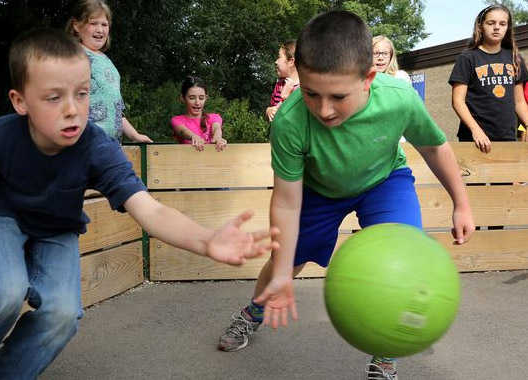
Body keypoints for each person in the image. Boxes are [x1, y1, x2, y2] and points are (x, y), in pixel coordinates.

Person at [0, 29, 279, 380]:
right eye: (54, 98)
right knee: (7, 290)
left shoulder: (97, 148)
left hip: (55, 224)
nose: (73, 110)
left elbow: (150, 210)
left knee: (63, 313)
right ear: (20, 101)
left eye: (83, 94)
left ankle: (10, 372)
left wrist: (207, 241)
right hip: (1, 210)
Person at [216, 11, 474, 380]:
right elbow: (287, 201)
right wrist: (283, 273)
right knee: (283, 263)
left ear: (368, 78)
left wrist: (461, 203)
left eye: (338, 95)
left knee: (403, 261)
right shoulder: (290, 122)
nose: (323, 109)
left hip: (384, 181)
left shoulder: (399, 99)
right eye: (310, 93)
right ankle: (253, 312)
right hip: (319, 191)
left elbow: (435, 148)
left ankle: (386, 352)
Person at [66, 0, 152, 144]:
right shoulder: (74, 56)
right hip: (85, 144)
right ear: (76, 25)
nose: (100, 30)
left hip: (111, 146)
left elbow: (116, 109)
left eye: (104, 24)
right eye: (93, 23)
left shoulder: (107, 61)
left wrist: (135, 135)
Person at [449, 4, 528, 153]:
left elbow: (519, 101)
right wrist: (475, 130)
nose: (497, 27)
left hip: (507, 139)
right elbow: (457, 101)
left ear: (508, 27)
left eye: (502, 24)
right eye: (491, 23)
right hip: (474, 139)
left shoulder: (515, 58)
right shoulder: (467, 57)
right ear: (480, 26)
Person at [171, 76, 227, 151]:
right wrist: (194, 137)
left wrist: (218, 138)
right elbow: (182, 131)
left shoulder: (214, 117)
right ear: (183, 98)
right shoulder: (177, 120)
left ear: (206, 98)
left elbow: (216, 128)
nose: (197, 103)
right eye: (192, 98)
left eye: (201, 98)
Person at [266, 39, 299, 122]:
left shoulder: (303, 90)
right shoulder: (279, 84)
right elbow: (273, 108)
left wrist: (285, 98)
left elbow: (297, 120)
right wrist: (268, 111)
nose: (276, 61)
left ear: (291, 62)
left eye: (279, 57)